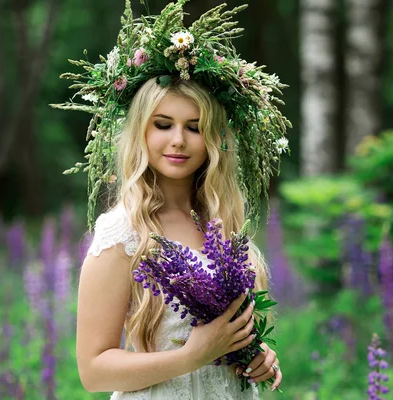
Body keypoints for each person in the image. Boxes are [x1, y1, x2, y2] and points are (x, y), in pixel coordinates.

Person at [52, 2, 290, 398]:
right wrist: (192, 356)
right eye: (163, 125)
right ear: (141, 132)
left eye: (194, 128)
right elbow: (93, 371)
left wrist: (252, 352)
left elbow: (220, 338)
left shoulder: (221, 223)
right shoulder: (123, 231)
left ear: (213, 139)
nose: (178, 140)